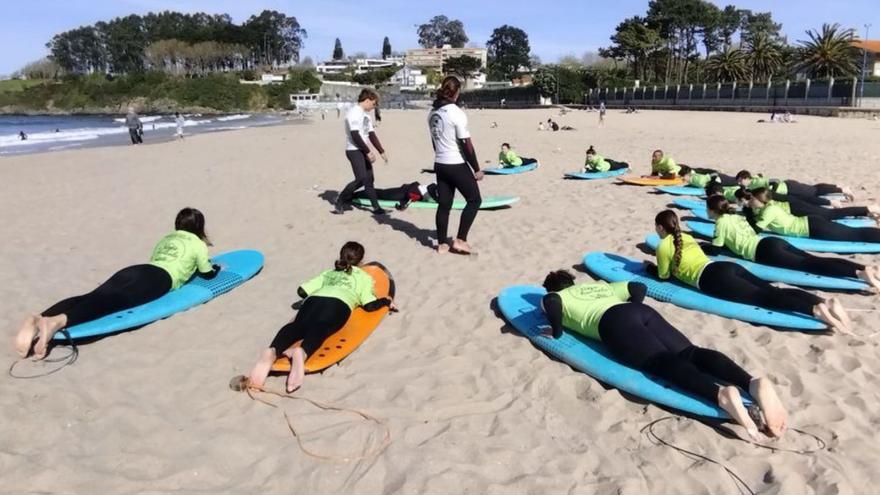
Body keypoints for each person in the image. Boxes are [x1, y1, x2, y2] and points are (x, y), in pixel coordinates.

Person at [541, 270, 788, 439]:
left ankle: (720, 393)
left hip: (613, 324)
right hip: (640, 311)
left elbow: (552, 302)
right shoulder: (597, 288)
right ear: (572, 281)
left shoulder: (557, 296)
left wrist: (557, 331)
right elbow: (637, 286)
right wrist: (635, 306)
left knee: (660, 361)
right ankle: (750, 382)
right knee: (690, 352)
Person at [14, 208, 219, 359]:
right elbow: (206, 273)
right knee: (109, 304)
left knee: (92, 296)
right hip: (159, 279)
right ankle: (55, 322)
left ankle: (39, 317)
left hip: (135, 270)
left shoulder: (166, 238)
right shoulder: (198, 244)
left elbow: (155, 258)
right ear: (198, 227)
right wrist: (214, 268)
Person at [645, 210, 849, 332]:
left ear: (661, 228)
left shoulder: (663, 246)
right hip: (725, 267)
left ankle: (813, 310)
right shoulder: (686, 238)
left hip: (712, 279)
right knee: (772, 289)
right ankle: (822, 302)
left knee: (762, 298)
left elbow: (663, 277)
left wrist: (649, 268)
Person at [245, 242, 393, 392]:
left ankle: (273, 350)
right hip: (339, 304)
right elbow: (369, 305)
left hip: (313, 301)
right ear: (361, 261)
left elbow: (302, 291)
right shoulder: (363, 277)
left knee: (298, 326)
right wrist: (385, 301)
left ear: (340, 256)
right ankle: (302, 352)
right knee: (322, 327)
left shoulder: (330, 272)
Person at [704, 196, 880, 289]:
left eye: (707, 209)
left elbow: (716, 250)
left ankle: (858, 273)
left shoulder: (720, 223)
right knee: (812, 258)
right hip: (770, 241)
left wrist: (703, 246)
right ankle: (862, 268)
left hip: (763, 252)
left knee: (809, 264)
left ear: (712, 210)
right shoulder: (735, 217)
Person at [428, 76, 483, 255]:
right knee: (474, 200)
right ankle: (460, 240)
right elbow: (466, 144)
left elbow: (434, 141)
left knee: (444, 204)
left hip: (440, 163)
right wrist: (476, 168)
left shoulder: (432, 113)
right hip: (456, 164)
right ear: (457, 92)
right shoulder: (456, 112)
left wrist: (440, 156)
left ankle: (442, 243)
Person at [744, 187, 880, 244]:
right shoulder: (766, 207)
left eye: (751, 199)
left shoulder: (769, 211)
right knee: (851, 232)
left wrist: (747, 211)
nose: (749, 201)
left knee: (853, 234)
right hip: (811, 224)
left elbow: (755, 230)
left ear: (759, 199)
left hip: (813, 227)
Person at [335, 89, 389, 216]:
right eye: (374, 103)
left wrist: (381, 151)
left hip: (363, 149)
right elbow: (355, 135)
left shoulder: (366, 115)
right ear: (367, 100)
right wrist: (368, 151)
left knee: (369, 180)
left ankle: (377, 208)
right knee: (360, 179)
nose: (374, 107)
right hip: (354, 150)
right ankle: (340, 200)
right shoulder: (354, 113)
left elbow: (371, 134)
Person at [735, 186, 879, 223]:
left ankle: (869, 208)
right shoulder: (755, 200)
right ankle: (867, 212)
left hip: (796, 208)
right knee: (829, 214)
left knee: (830, 214)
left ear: (744, 198)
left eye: (738, 200)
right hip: (794, 206)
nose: (737, 203)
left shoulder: (756, 200)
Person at [735, 170, 853, 201]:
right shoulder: (752, 183)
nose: (740, 183)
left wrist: (773, 192)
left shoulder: (756, 182)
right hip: (789, 188)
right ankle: (837, 186)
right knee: (813, 188)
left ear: (746, 178)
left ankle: (842, 189)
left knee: (814, 191)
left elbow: (774, 180)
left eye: (741, 181)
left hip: (789, 188)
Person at [353, 181, 439, 210]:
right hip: (408, 191)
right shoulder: (419, 193)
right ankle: (355, 195)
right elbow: (409, 198)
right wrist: (403, 205)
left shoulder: (437, 188)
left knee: (383, 193)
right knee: (383, 195)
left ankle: (360, 193)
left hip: (412, 188)